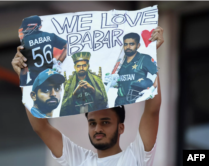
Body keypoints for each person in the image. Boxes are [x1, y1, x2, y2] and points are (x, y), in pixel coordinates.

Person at [11, 26, 163, 166]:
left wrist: (151, 54)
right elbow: (40, 127)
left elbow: (152, 109)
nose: (97, 128)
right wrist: (26, 78)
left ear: (121, 127)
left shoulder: (136, 156)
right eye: (92, 123)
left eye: (105, 122)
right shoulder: (80, 160)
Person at [106, 30, 163, 106]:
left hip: (136, 100)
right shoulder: (119, 62)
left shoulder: (144, 58)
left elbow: (157, 74)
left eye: (131, 44)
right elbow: (122, 82)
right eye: (125, 44)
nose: (128, 47)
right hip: (119, 101)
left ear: (138, 45)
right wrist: (113, 83)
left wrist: (152, 89)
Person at [18, 15, 67, 86]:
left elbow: (24, 68)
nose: (24, 30)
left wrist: (23, 85)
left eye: (27, 27)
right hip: (51, 78)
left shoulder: (25, 41)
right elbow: (68, 46)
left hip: (36, 82)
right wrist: (59, 62)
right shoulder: (51, 36)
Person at [60, 52, 108, 116]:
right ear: (74, 67)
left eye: (84, 65)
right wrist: (75, 92)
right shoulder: (69, 83)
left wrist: (92, 89)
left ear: (88, 65)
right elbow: (64, 108)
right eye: (78, 66)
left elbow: (104, 102)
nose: (81, 68)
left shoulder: (96, 80)